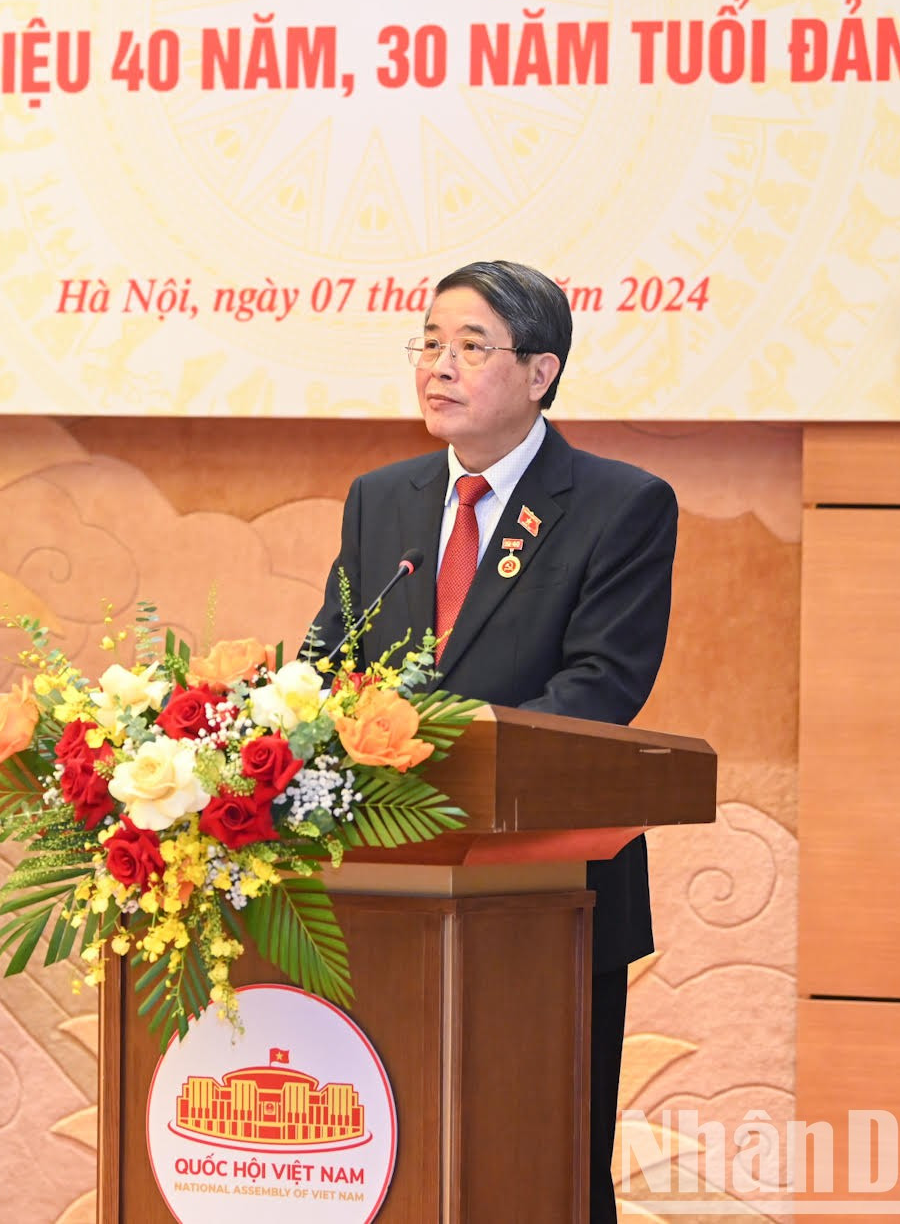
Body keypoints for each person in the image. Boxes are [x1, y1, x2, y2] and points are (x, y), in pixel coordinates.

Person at [308, 258, 677, 1224]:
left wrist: (438, 754)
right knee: (395, 1158)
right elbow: (325, 660)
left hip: (544, 891)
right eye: (429, 342)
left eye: (471, 346)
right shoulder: (378, 499)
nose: (439, 366)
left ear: (541, 370)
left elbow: (601, 687)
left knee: (541, 1161)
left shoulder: (620, 504)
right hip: (386, 882)